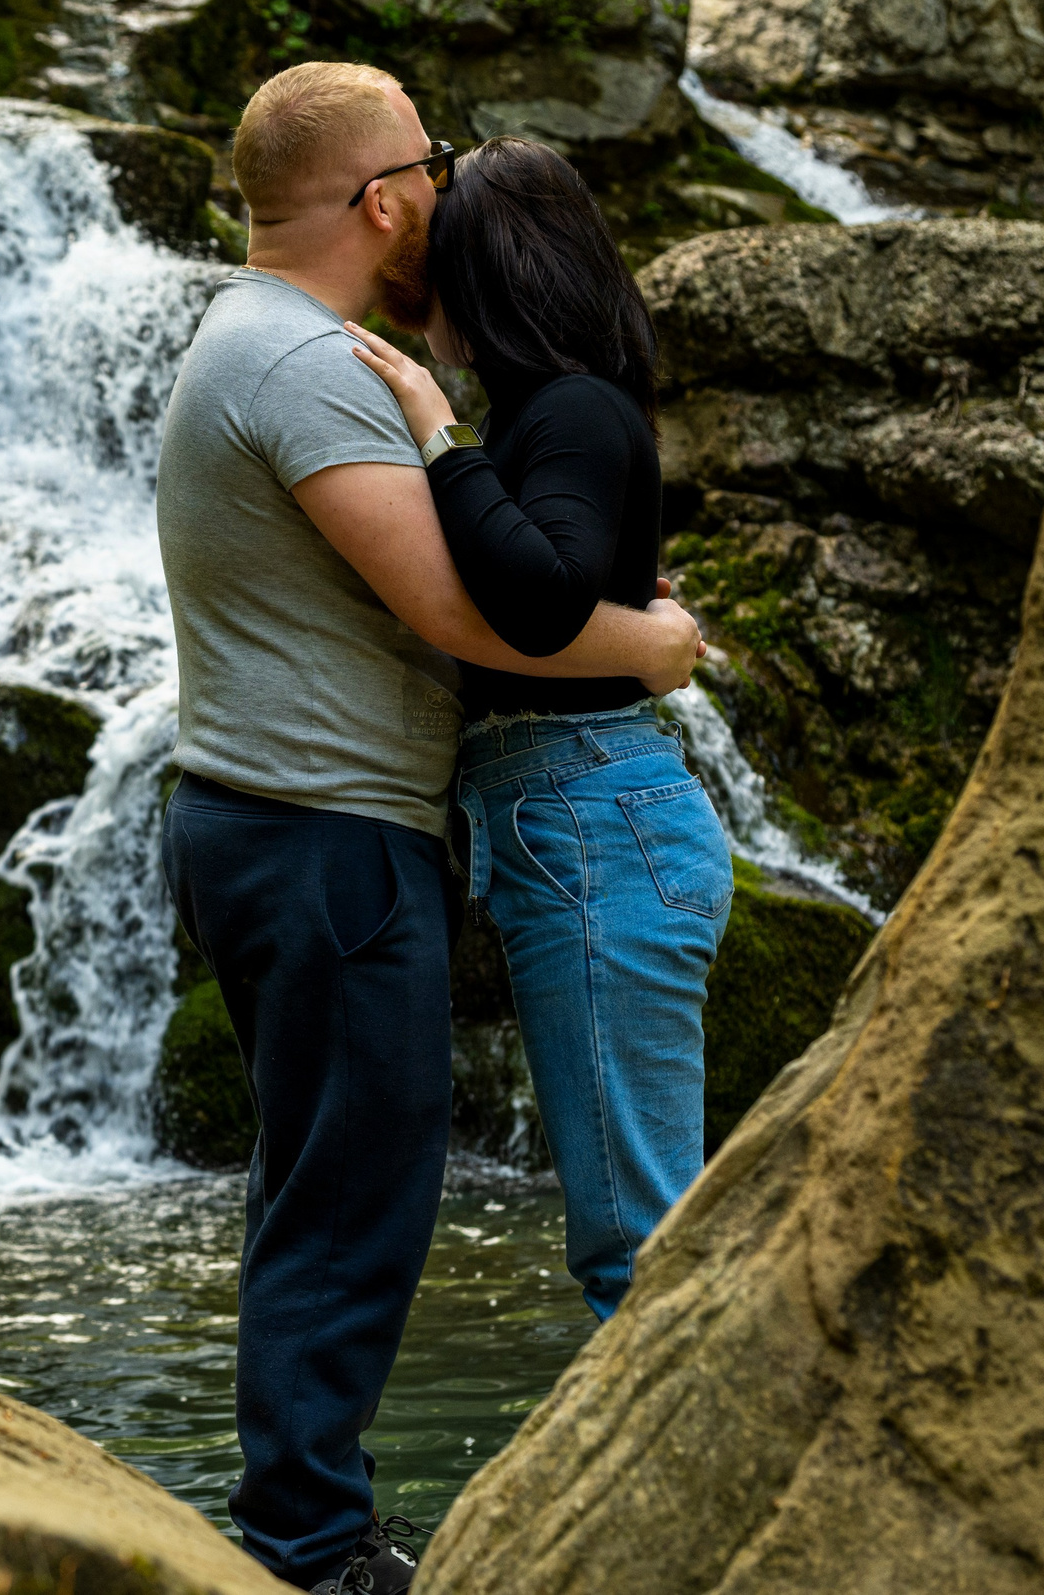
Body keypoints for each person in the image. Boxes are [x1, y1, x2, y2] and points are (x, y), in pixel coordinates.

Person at [152, 66, 705, 1595]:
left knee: (326, 1181)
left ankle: (310, 1523)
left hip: (291, 822)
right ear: (386, 197)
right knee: (354, 1195)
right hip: (323, 831)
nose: (447, 189)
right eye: (434, 161)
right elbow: (471, 612)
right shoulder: (308, 365)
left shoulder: (264, 340)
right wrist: (655, 646)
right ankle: (315, 1547)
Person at [344, 135, 735, 1325]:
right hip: (578, 813)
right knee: (632, 1225)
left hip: (590, 814)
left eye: (439, 264)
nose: (420, 294)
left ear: (494, 274)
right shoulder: (559, 410)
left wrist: (434, 432)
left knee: (634, 1239)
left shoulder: (565, 410)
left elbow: (542, 598)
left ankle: (677, 1450)